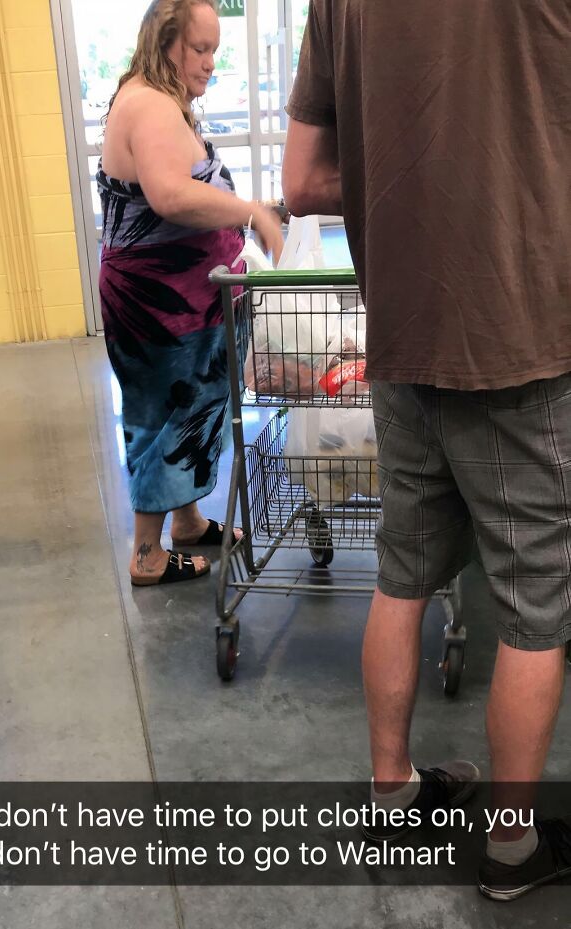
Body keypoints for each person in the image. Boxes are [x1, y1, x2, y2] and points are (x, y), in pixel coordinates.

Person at [282, 0, 571, 901]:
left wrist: (408, 184)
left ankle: (394, 788)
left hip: (403, 327)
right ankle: (514, 849)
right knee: (535, 601)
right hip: (521, 330)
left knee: (402, 572)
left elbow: (301, 179)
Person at [98, 0, 283, 586]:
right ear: (165, 42)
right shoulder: (149, 104)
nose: (209, 64)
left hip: (180, 297)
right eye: (199, 50)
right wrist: (250, 211)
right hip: (158, 304)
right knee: (161, 416)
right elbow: (170, 196)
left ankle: (187, 521)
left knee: (190, 409)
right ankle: (148, 555)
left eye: (214, 52)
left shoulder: (158, 98)